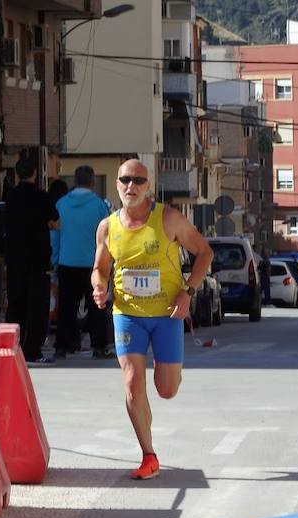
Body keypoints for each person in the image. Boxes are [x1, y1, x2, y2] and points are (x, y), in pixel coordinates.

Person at [91, 159, 213, 480]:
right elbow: (100, 268)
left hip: (166, 314)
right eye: (125, 180)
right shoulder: (107, 227)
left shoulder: (168, 219)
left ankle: (170, 370)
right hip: (128, 315)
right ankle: (149, 455)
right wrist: (100, 288)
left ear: (149, 187)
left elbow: (204, 252)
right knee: (132, 380)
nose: (131, 186)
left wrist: (188, 290)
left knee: (166, 389)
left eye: (138, 181)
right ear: (117, 184)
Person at [3, 156, 59, 365]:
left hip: (15, 260)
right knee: (37, 308)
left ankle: (11, 348)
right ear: (35, 173)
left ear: (17, 174)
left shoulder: (10, 196)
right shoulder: (42, 197)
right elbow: (56, 222)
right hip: (38, 261)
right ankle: (32, 351)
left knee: (15, 305)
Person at [55, 166, 112, 359]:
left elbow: (55, 234)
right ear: (92, 182)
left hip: (66, 262)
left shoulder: (61, 204)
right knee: (97, 306)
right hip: (93, 265)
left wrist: (54, 258)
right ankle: (99, 346)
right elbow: (108, 237)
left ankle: (62, 345)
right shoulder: (99, 205)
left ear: (75, 181)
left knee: (66, 307)